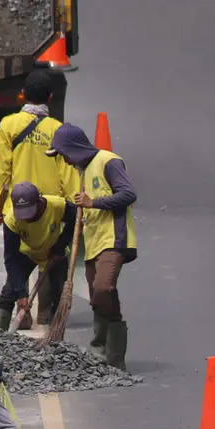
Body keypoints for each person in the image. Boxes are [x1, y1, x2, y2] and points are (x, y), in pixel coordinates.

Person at [45, 124, 137, 369]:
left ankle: (100, 345)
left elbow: (128, 194)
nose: (63, 161)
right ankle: (113, 359)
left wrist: (93, 202)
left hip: (113, 239)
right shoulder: (81, 171)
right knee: (97, 299)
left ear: (72, 148)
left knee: (103, 287)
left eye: (63, 154)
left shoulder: (109, 161)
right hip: (93, 241)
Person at [0, 70, 74, 328]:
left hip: (17, 206)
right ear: (50, 97)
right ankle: (45, 316)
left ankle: (20, 311)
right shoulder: (58, 130)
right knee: (51, 256)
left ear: (23, 95)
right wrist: (72, 205)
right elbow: (67, 173)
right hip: (50, 208)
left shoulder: (8, 125)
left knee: (17, 257)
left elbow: (2, 172)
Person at [0, 182, 76, 334]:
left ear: (39, 202)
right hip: (27, 253)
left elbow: (76, 219)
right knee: (9, 293)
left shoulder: (57, 205)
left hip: (54, 252)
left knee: (58, 294)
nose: (26, 219)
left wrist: (60, 244)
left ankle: (55, 339)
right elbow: (11, 259)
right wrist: (22, 294)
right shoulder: (11, 221)